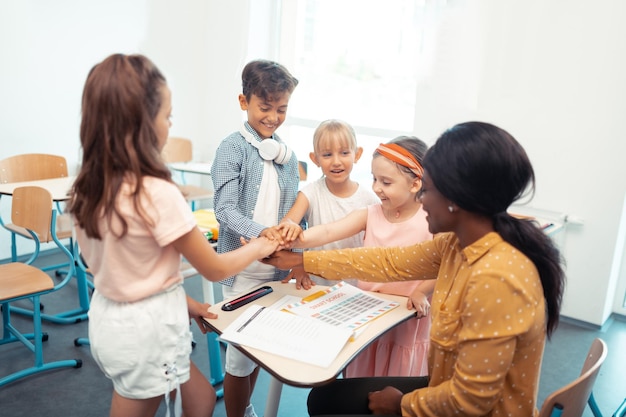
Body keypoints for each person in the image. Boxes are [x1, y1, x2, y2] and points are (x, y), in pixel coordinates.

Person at [263, 121, 566, 417]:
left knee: (328, 402)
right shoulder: (455, 244)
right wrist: (299, 260)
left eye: (428, 190)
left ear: (456, 199)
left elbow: (471, 401)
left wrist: (401, 406)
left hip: (470, 405)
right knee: (325, 400)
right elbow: (388, 262)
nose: (421, 201)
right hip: (447, 383)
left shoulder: (497, 278)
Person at [69, 54, 281, 417]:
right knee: (141, 404)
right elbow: (214, 268)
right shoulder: (156, 192)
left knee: (198, 401)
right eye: (167, 117)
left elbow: (124, 272)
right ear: (141, 124)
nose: (169, 125)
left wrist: (184, 303)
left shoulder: (87, 188)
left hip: (110, 320)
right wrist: (263, 243)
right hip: (146, 333)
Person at [283, 136, 434, 378]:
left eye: (385, 182)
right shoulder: (371, 214)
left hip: (406, 318)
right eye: (374, 179)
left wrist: (421, 291)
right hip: (369, 314)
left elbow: (442, 266)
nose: (376, 188)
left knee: (395, 381)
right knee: (362, 377)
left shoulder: (431, 220)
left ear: (415, 184)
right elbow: (329, 230)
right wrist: (292, 238)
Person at [209, 59, 300, 417]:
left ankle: (245, 407)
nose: (274, 117)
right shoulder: (231, 148)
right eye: (265, 107)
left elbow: (294, 208)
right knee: (238, 356)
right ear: (243, 102)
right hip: (241, 267)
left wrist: (292, 239)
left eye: (282, 109)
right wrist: (258, 232)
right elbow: (225, 210)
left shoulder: (287, 156)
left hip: (274, 269)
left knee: (260, 348)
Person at [279, 119, 380, 287]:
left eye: (344, 153)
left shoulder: (370, 200)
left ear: (357, 154)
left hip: (356, 288)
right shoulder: (309, 193)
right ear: (315, 159)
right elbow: (287, 223)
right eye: (327, 155)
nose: (336, 161)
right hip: (316, 285)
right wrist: (298, 262)